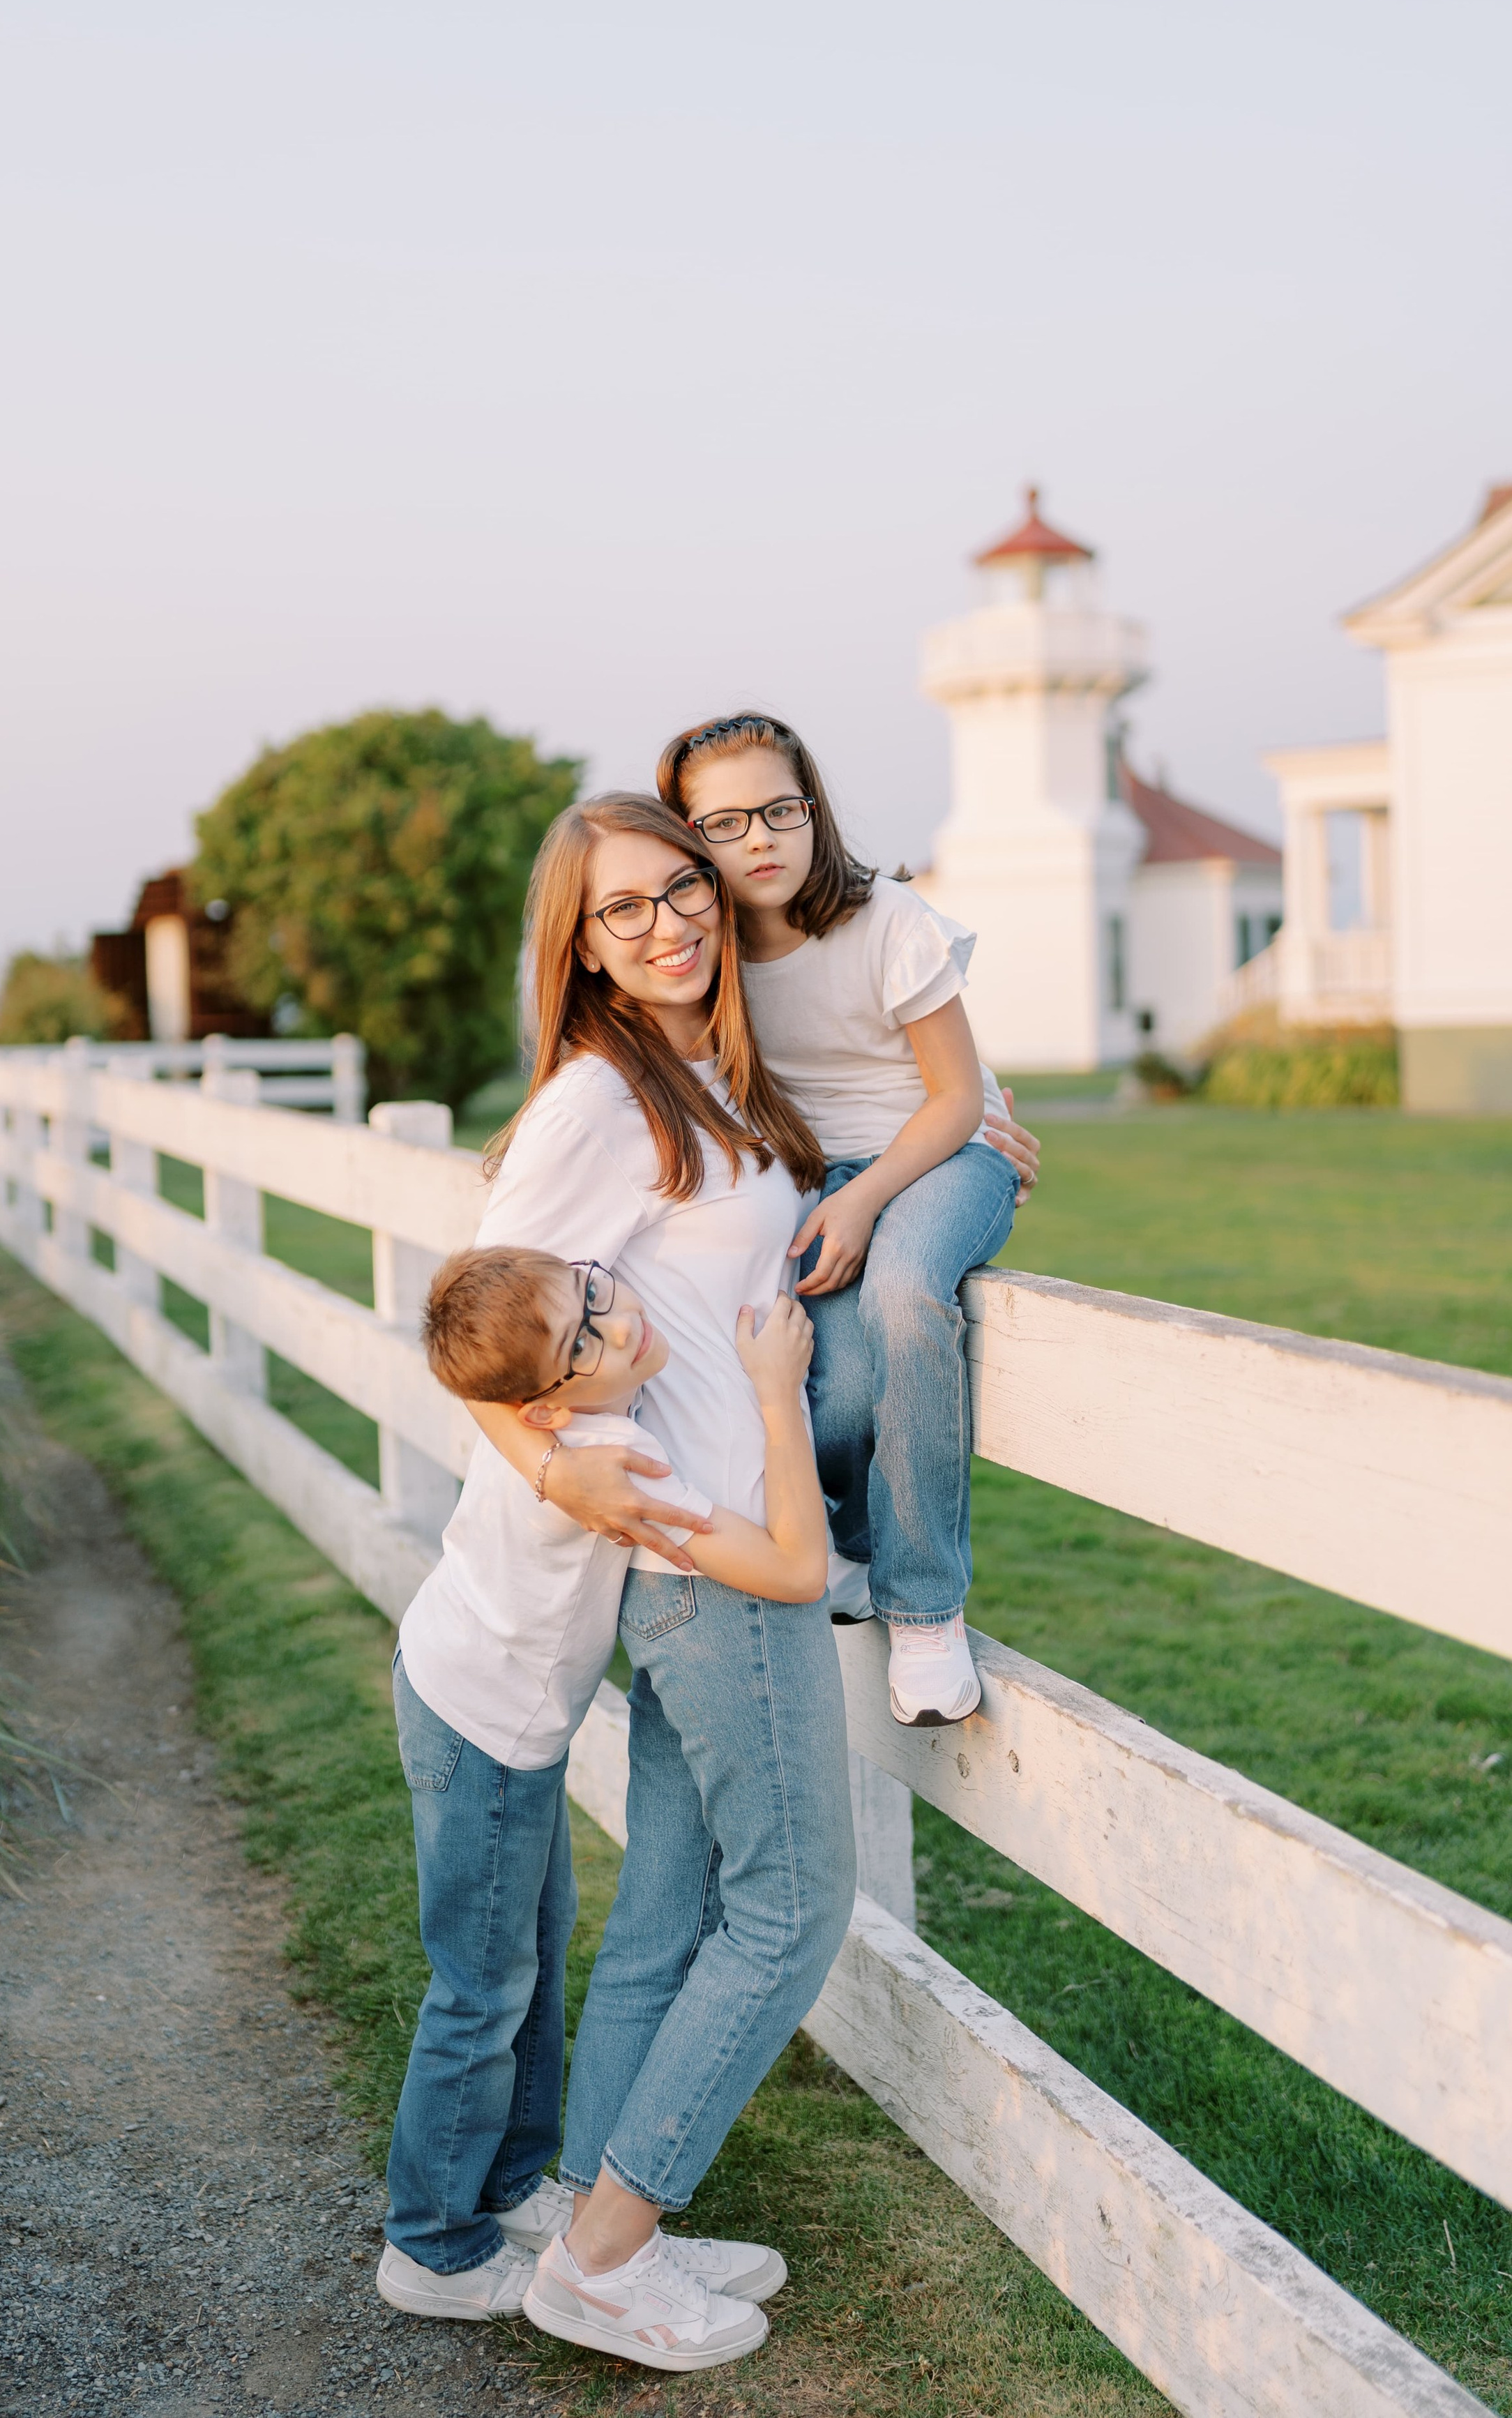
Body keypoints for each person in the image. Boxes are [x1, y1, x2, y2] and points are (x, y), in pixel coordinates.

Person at [460, 792, 859, 2375]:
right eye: (620, 910)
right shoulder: (589, 1106)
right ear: (581, 941)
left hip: (703, 1550)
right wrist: (555, 1462)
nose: (667, 925)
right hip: (712, 1558)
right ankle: (609, 2259)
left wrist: (971, 1132)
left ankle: (587, 2215)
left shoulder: (700, 1074)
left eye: (678, 888)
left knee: (676, 1907)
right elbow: (475, 1316)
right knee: (791, 1906)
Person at [377, 1243, 828, 2355]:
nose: (618, 1323)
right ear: (547, 1402)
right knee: (481, 1985)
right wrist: (776, 1393)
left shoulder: (566, 1426)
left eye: (597, 1290)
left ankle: (519, 2184)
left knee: (530, 1947)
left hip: (475, 1701)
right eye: (584, 1341)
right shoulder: (614, 1453)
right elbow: (792, 1570)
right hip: (481, 1725)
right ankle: (431, 2244)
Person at [658, 711, 1041, 1728]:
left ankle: (926, 1610)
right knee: (835, 1399)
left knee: (910, 1298)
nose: (762, 839)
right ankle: (860, 1544)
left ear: (813, 808)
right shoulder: (709, 959)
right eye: (727, 822)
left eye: (781, 809)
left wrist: (867, 1200)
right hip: (816, 1184)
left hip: (944, 1156)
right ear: (691, 839)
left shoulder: (890, 921)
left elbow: (956, 1098)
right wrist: (833, 1198)